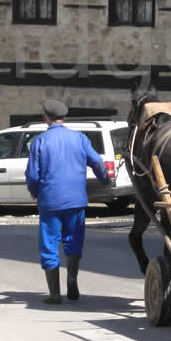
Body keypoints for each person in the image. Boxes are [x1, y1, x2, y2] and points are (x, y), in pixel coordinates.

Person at [25, 100, 108, 304]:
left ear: (45, 118)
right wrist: (104, 179)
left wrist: (35, 192)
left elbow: (33, 175)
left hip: (50, 201)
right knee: (73, 241)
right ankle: (72, 279)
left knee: (50, 245)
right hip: (76, 200)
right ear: (64, 117)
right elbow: (97, 162)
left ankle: (54, 294)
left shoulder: (39, 141)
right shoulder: (80, 138)